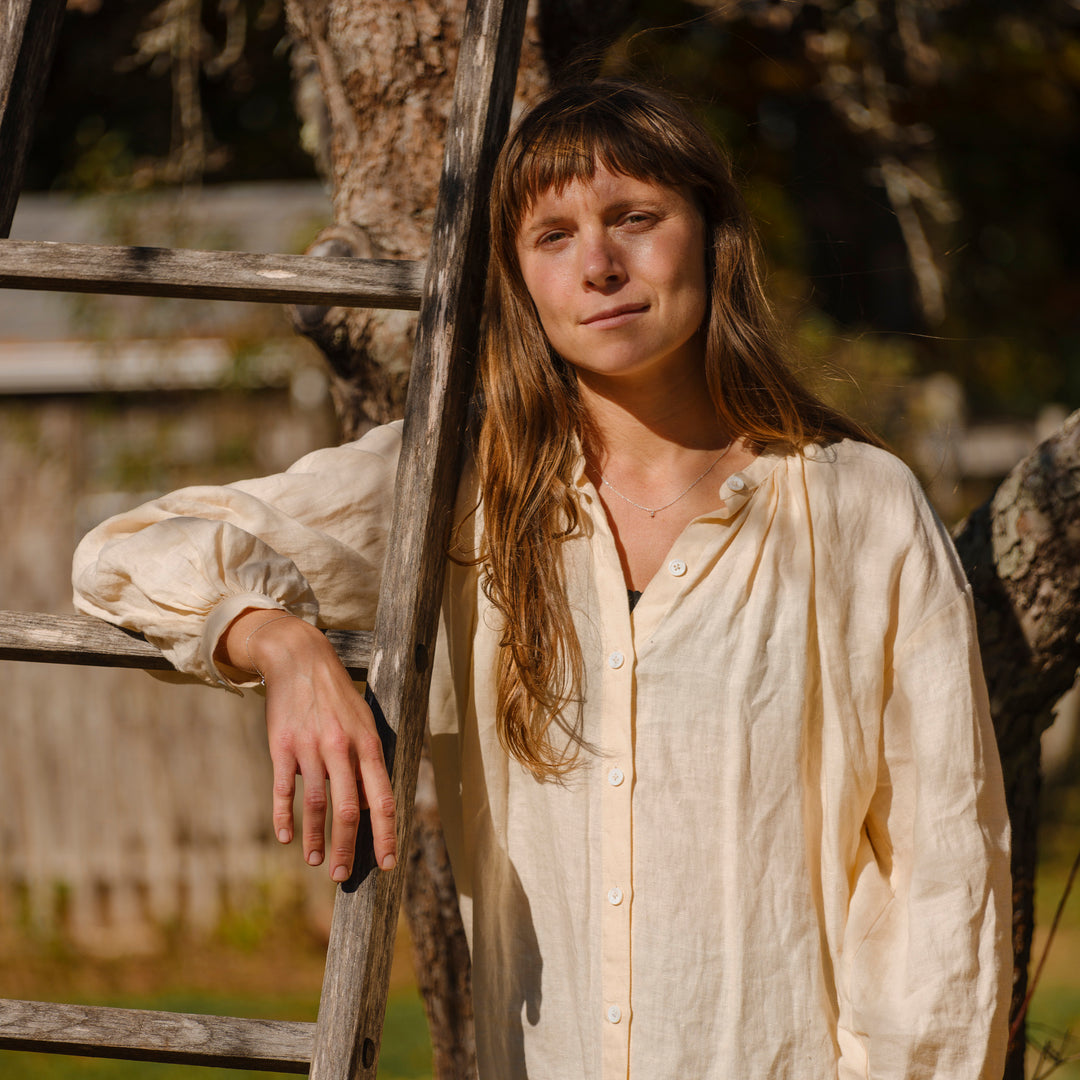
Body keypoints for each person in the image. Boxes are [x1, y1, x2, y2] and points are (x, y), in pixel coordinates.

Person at [73, 80, 1011, 1079]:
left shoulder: (861, 509)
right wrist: (278, 642)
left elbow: (940, 872)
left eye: (635, 219)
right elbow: (122, 554)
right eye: (553, 236)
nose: (599, 265)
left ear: (711, 237)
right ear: (519, 280)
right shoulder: (467, 482)